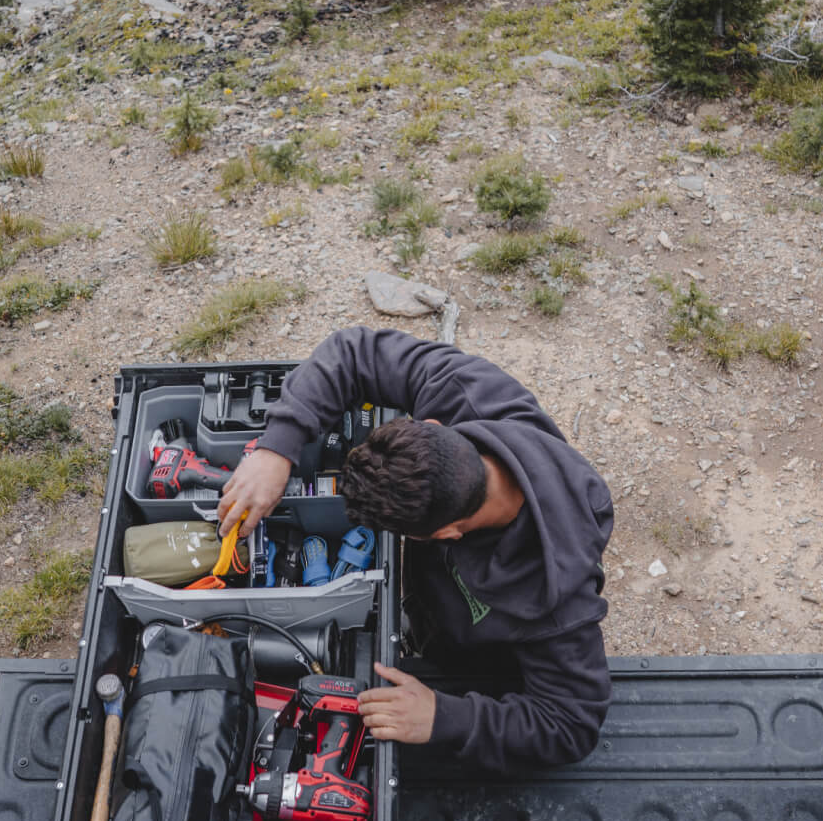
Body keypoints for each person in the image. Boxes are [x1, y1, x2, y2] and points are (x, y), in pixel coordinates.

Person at [217, 327, 614, 773]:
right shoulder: (463, 391)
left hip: (475, 657)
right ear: (433, 425)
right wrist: (277, 449)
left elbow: (572, 725)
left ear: (446, 533)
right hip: (434, 610)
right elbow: (352, 351)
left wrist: (447, 718)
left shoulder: (556, 601)